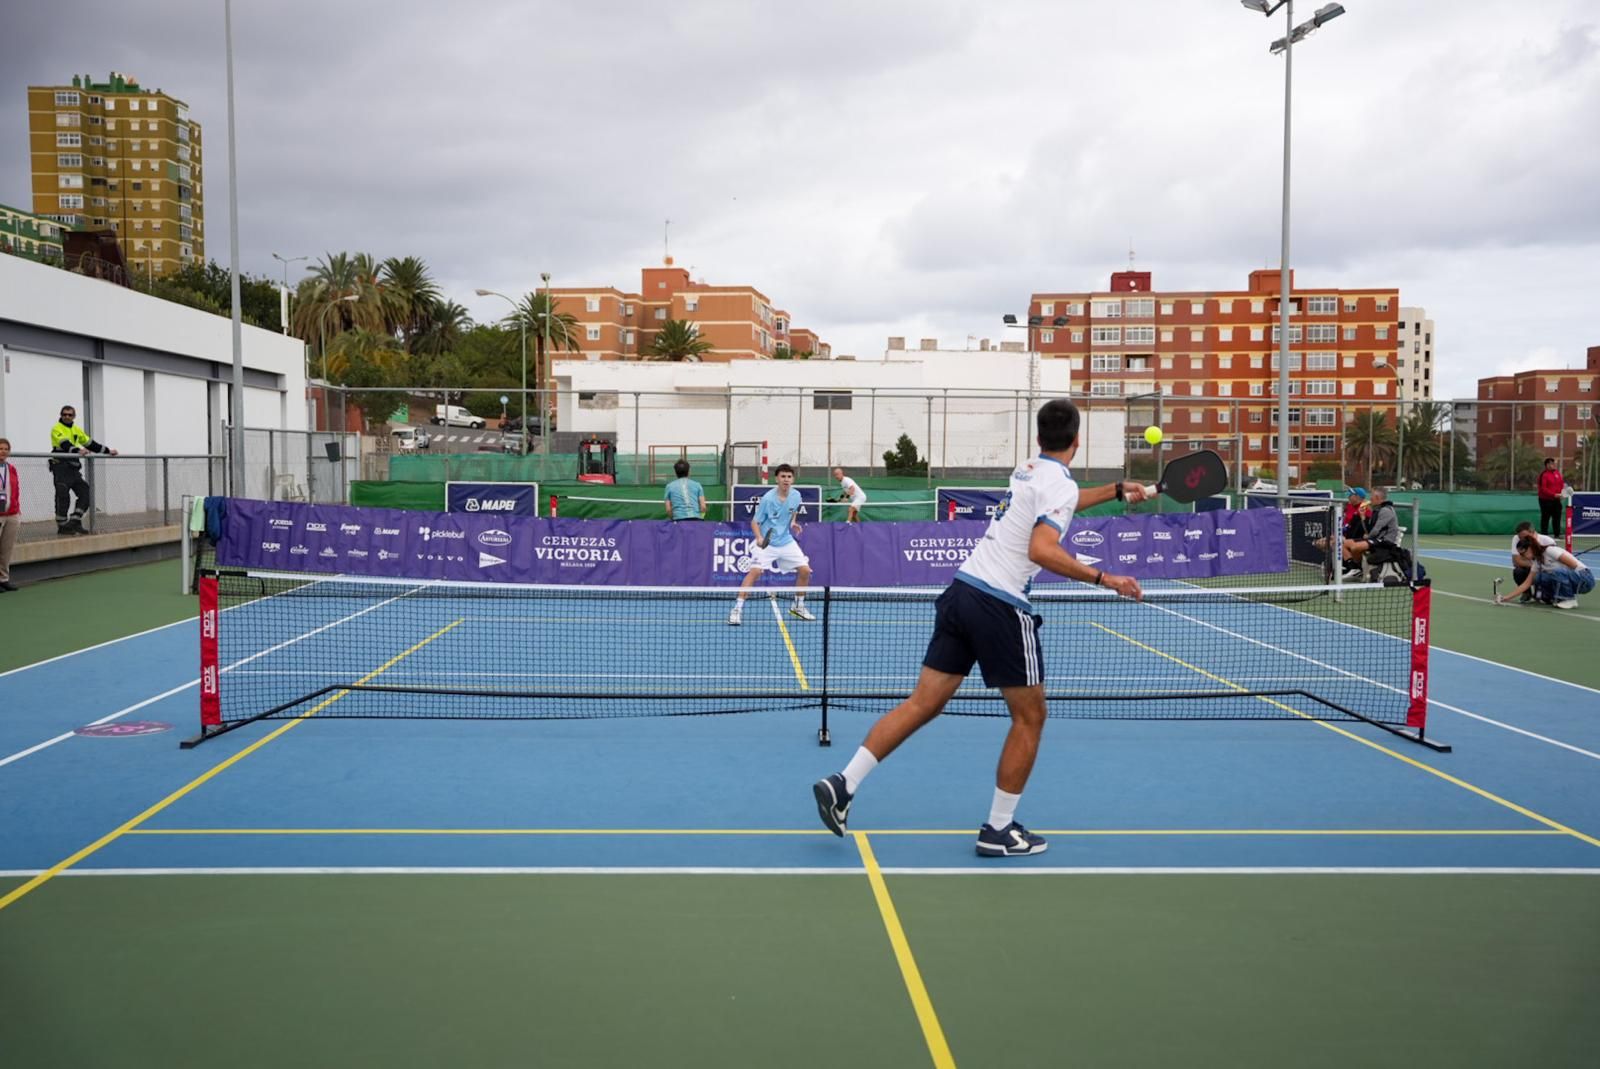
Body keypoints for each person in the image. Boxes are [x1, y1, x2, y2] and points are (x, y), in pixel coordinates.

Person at [812, 399, 1146, 857]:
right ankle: (998, 829)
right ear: (1078, 440)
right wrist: (1107, 580)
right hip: (1001, 604)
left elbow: (1064, 500)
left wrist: (1116, 490)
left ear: (1039, 438)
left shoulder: (1027, 469)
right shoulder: (1056, 486)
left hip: (962, 592)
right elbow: (1043, 549)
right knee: (1030, 717)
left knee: (923, 704)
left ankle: (843, 783)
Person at [729, 463, 813, 625]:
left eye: (789, 477)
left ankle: (798, 607)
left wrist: (793, 522)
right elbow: (755, 522)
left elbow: (793, 510)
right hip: (767, 544)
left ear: (792, 479)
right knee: (755, 572)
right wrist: (759, 538)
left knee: (805, 571)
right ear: (777, 479)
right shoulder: (768, 499)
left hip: (786, 540)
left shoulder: (796, 496)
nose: (786, 480)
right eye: (783, 476)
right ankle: (736, 610)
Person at [49, 403, 116, 535]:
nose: (67, 417)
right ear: (60, 415)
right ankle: (63, 527)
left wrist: (108, 451)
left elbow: (91, 444)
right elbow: (65, 444)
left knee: (86, 492)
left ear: (74, 416)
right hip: (61, 467)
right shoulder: (57, 428)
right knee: (63, 496)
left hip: (73, 468)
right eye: (64, 414)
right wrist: (78, 450)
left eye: (70, 414)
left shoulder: (76, 429)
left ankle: (74, 521)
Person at [1498, 537, 1593, 609]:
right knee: (1538, 577)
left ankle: (1569, 599)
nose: (1523, 556)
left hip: (1584, 580)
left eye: (1523, 553)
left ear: (1531, 548)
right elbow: (1527, 583)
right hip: (1569, 579)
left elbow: (1574, 566)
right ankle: (1554, 597)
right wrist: (1506, 598)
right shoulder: (1537, 562)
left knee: (1556, 571)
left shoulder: (1550, 550)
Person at [1509, 520, 1556, 604]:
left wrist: (1538, 567)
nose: (1521, 539)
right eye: (1520, 537)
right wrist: (1536, 566)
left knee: (1544, 599)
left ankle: (1548, 593)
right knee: (1518, 571)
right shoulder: (1516, 538)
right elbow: (1516, 561)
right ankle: (1526, 593)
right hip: (1534, 569)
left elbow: (1553, 564)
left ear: (1532, 532)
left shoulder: (1547, 541)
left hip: (1545, 571)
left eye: (1524, 536)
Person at [0, 438, 19, 592]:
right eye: (0, 448)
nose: (3, 451)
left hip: (11, 514)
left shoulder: (11, 469)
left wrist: (16, 509)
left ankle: (3, 579)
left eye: (6, 449)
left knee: (6, 549)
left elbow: (16, 490)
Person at [1537, 458, 1565, 538]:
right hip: (1545, 500)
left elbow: (1561, 484)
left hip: (1556, 500)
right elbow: (1543, 488)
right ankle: (1544, 535)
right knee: (1545, 518)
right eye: (1552, 463)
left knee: (1557, 517)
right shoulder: (1544, 475)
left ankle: (1557, 534)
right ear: (1547, 465)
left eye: (1554, 463)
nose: (1554, 465)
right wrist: (1553, 495)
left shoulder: (1557, 473)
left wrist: (1562, 494)